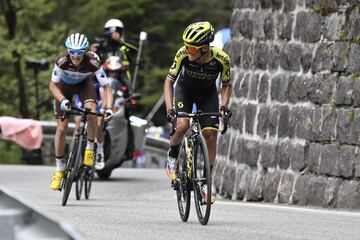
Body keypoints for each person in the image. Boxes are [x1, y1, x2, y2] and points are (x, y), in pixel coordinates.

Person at [163, 22, 232, 204]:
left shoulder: (222, 59)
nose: (188, 50)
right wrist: (170, 110)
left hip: (207, 96)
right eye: (186, 46)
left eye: (192, 47)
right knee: (183, 125)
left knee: (210, 134)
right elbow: (169, 82)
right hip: (184, 91)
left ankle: (206, 181)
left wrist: (224, 107)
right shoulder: (183, 54)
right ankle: (173, 155)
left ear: (204, 48)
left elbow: (226, 84)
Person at [49, 33, 113, 190]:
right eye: (72, 52)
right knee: (62, 128)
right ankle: (59, 168)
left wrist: (108, 107)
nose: (76, 56)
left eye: (79, 52)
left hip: (85, 86)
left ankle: (90, 149)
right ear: (68, 50)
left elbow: (106, 86)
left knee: (91, 112)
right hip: (63, 88)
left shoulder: (92, 61)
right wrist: (63, 100)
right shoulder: (62, 61)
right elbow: (52, 85)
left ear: (85, 51)